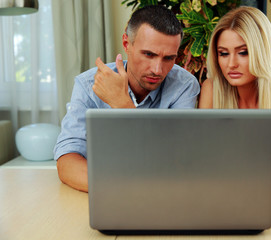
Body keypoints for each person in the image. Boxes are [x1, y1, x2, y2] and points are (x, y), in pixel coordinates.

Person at [54, 5, 200, 192]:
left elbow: (175, 160)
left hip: (160, 199)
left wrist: (122, 104)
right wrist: (124, 189)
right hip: (107, 196)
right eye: (149, 54)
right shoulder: (88, 84)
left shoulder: (184, 85)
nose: (158, 69)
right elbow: (67, 162)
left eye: (169, 58)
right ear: (126, 44)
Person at [199, 6, 271, 202]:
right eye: (223, 53)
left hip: (270, 199)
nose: (231, 64)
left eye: (243, 52)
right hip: (222, 195)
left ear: (262, 51)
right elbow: (201, 160)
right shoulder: (211, 88)